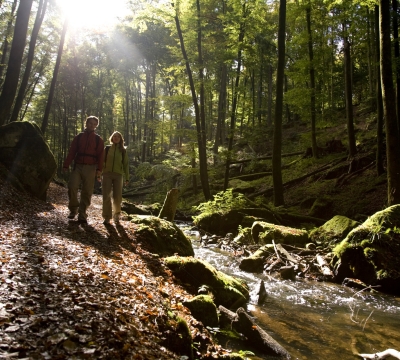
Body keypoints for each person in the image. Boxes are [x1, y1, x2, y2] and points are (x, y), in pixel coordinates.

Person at [62, 116, 104, 224]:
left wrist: (99, 169)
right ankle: (73, 209)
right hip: (78, 165)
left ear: (96, 126)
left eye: (94, 124)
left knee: (87, 191)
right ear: (86, 123)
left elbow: (101, 156)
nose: (92, 125)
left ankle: (82, 214)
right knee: (72, 186)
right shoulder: (79, 137)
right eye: (90, 123)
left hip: (91, 167)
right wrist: (66, 165)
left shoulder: (98, 139)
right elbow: (72, 152)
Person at [102, 131, 129, 225]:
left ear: (120, 139)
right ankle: (107, 217)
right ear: (112, 138)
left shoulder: (123, 150)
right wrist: (99, 173)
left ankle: (116, 215)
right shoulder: (107, 148)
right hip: (107, 174)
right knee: (106, 196)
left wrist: (127, 177)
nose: (116, 138)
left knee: (117, 196)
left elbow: (125, 164)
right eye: (114, 136)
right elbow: (102, 161)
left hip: (118, 175)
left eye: (118, 136)